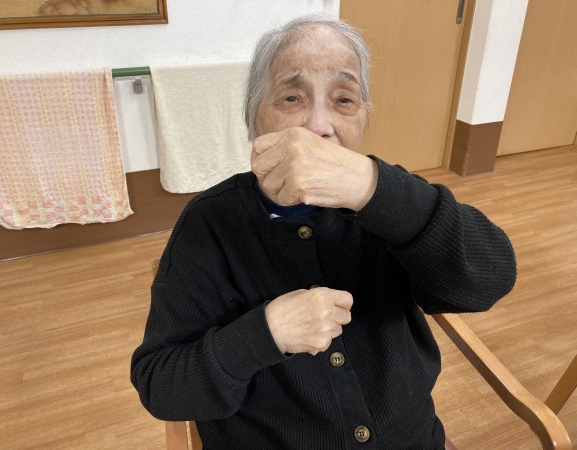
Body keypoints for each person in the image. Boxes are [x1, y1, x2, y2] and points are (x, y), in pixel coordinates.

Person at [131, 15, 516, 450]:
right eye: (292, 97)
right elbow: (163, 386)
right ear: (254, 117)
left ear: (364, 118)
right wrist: (266, 333)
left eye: (344, 100)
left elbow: (491, 280)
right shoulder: (211, 224)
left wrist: (372, 188)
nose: (318, 126)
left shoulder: (392, 198)